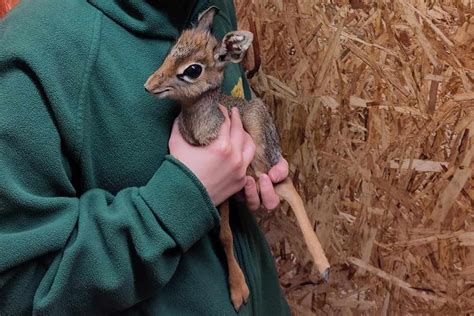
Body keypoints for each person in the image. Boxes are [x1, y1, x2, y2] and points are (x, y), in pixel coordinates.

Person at [0, 0, 291, 314]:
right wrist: (178, 201)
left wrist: (244, 159)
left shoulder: (209, 9)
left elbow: (225, 96)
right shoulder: (34, 44)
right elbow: (17, 290)